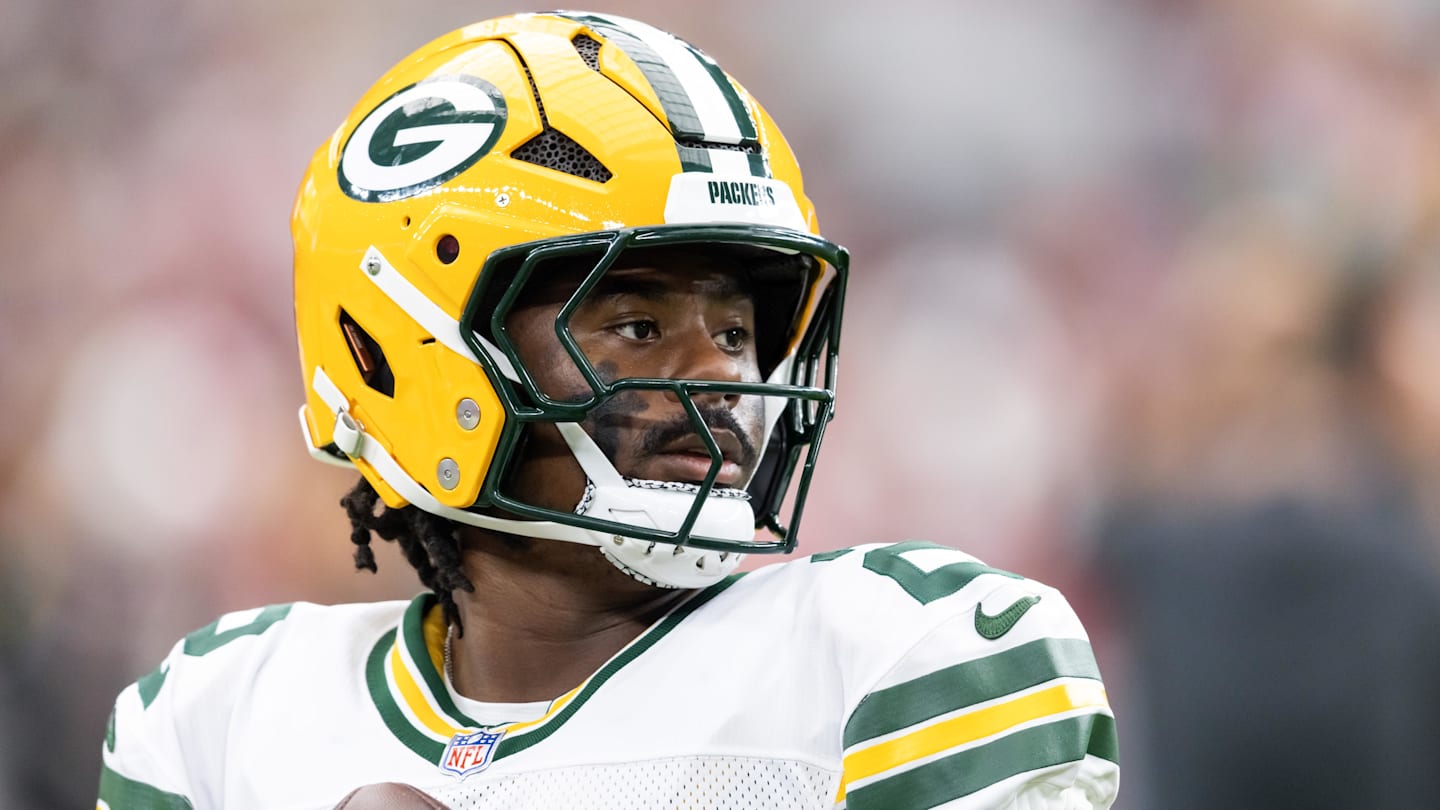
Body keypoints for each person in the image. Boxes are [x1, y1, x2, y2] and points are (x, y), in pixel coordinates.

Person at [96, 11, 1119, 809]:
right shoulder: (220, 720)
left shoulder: (903, 660)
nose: (715, 374)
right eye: (634, 323)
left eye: (734, 329)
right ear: (413, 350)